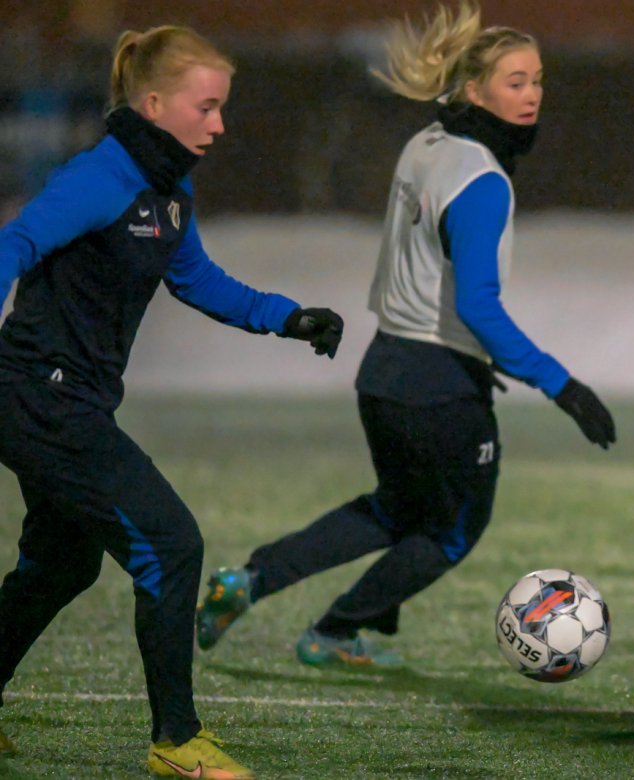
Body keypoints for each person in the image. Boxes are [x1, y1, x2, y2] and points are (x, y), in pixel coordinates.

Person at [196, 1, 615, 669]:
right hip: (438, 389)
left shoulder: (426, 144)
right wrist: (564, 387)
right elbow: (478, 307)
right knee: (452, 531)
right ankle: (335, 632)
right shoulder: (483, 181)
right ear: (474, 89)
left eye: (538, 80)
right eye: (515, 81)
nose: (533, 94)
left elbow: (426, 274)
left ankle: (250, 579)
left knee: (393, 510)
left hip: (385, 370)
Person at [0, 26, 345, 779]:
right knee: (170, 544)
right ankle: (176, 740)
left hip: (71, 402)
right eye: (206, 107)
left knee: (61, 565)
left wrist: (288, 317)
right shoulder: (102, 176)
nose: (218, 124)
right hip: (37, 396)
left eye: (222, 107)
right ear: (154, 105)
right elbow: (14, 243)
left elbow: (197, 280)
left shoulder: (169, 193)